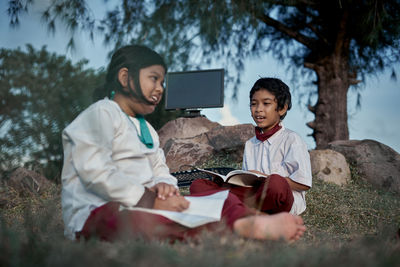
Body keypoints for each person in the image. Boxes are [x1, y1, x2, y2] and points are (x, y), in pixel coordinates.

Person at [61, 45, 306, 243]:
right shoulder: (101, 113)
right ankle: (241, 226)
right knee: (138, 222)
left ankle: (243, 219)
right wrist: (150, 200)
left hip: (148, 204)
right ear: (125, 78)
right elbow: (95, 172)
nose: (160, 88)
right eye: (153, 79)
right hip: (100, 211)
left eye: (162, 82)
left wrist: (167, 187)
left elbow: (159, 168)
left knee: (221, 200)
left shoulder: (146, 130)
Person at [191, 78, 312, 215]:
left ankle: (237, 209)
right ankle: (247, 209)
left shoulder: (292, 139)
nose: (258, 109)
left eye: (266, 104)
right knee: (199, 185)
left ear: (282, 108)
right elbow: (247, 182)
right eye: (254, 104)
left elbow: (303, 183)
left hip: (280, 197)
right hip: (253, 195)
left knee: (275, 183)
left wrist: (267, 178)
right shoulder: (250, 144)